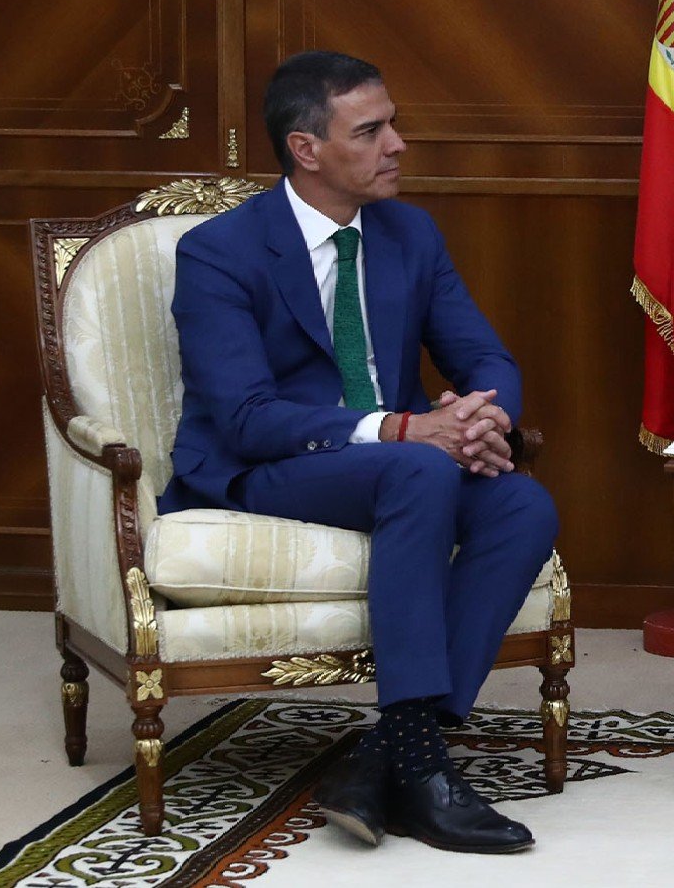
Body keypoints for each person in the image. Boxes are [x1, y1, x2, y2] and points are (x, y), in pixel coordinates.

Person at [160, 51, 558, 854]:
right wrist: (405, 428)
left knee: (522, 499)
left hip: (395, 464)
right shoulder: (219, 254)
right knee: (416, 463)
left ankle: (396, 751)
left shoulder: (409, 232)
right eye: (371, 131)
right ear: (307, 149)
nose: (398, 144)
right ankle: (419, 764)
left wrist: (487, 419)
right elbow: (244, 416)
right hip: (271, 464)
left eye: (392, 123)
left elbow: (488, 360)